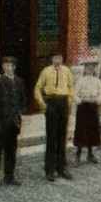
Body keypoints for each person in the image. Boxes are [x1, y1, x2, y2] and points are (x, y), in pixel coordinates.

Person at [0, 55, 25, 193]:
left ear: (14, 67)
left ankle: (9, 176)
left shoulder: (19, 82)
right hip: (1, 124)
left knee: (11, 151)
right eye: (5, 66)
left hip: (13, 124)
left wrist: (19, 115)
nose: (8, 68)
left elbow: (22, 100)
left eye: (10, 66)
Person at [34, 52, 74, 182]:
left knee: (62, 137)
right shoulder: (46, 71)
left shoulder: (67, 71)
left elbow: (71, 87)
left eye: (60, 58)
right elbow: (37, 88)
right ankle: (50, 170)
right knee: (51, 138)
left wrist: (69, 100)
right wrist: (42, 104)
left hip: (63, 103)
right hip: (51, 103)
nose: (58, 60)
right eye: (56, 58)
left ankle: (62, 169)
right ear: (52, 59)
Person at [73, 59, 101, 164]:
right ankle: (78, 154)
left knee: (92, 130)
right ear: (85, 69)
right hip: (83, 108)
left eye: (91, 68)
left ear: (94, 70)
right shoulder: (80, 81)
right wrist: (81, 100)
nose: (89, 70)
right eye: (87, 68)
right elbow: (75, 94)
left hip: (93, 107)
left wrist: (96, 100)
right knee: (82, 130)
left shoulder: (97, 81)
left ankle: (90, 154)